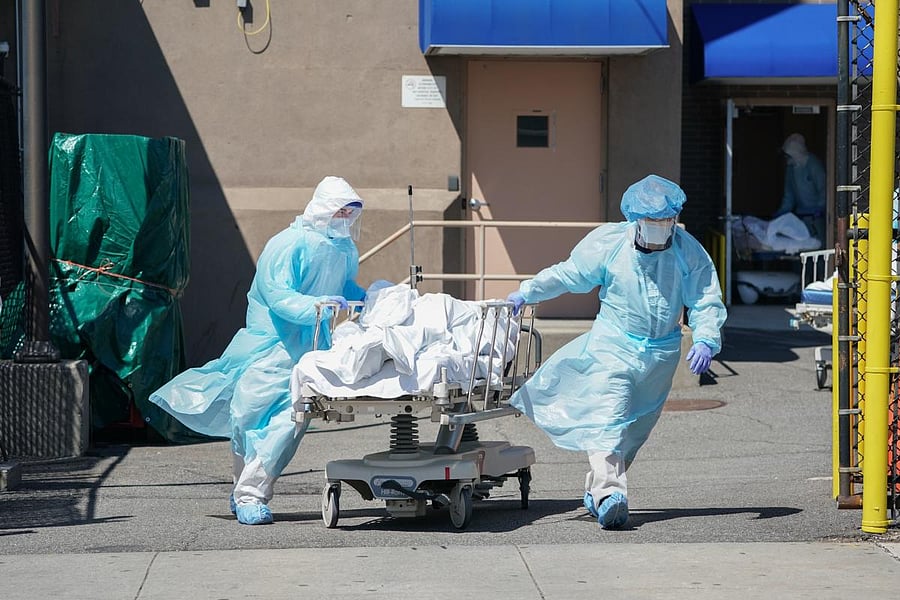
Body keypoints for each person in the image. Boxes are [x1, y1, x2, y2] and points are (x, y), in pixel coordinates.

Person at [506, 174, 726, 530]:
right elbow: (571, 274)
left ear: (674, 219)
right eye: (652, 221)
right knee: (610, 416)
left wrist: (705, 338)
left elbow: (704, 299)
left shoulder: (687, 250)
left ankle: (596, 492)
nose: (660, 227)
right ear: (635, 219)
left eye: (666, 221)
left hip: (661, 354)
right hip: (615, 344)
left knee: (634, 431)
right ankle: (611, 494)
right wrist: (529, 291)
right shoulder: (610, 244)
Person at [150, 176, 368, 525]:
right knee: (247, 417)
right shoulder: (289, 244)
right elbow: (277, 294)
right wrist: (316, 305)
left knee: (288, 423)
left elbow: (343, 286)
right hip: (271, 347)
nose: (344, 217)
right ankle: (242, 490)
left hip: (310, 352)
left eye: (350, 212)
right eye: (339, 210)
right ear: (323, 207)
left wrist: (363, 296)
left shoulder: (343, 249)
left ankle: (251, 494)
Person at [774, 133, 827, 242]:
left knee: (818, 244)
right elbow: (789, 195)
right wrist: (781, 213)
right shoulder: (791, 169)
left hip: (817, 217)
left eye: (788, 155)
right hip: (802, 216)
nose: (786, 159)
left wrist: (819, 209)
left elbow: (824, 190)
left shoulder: (813, 165)